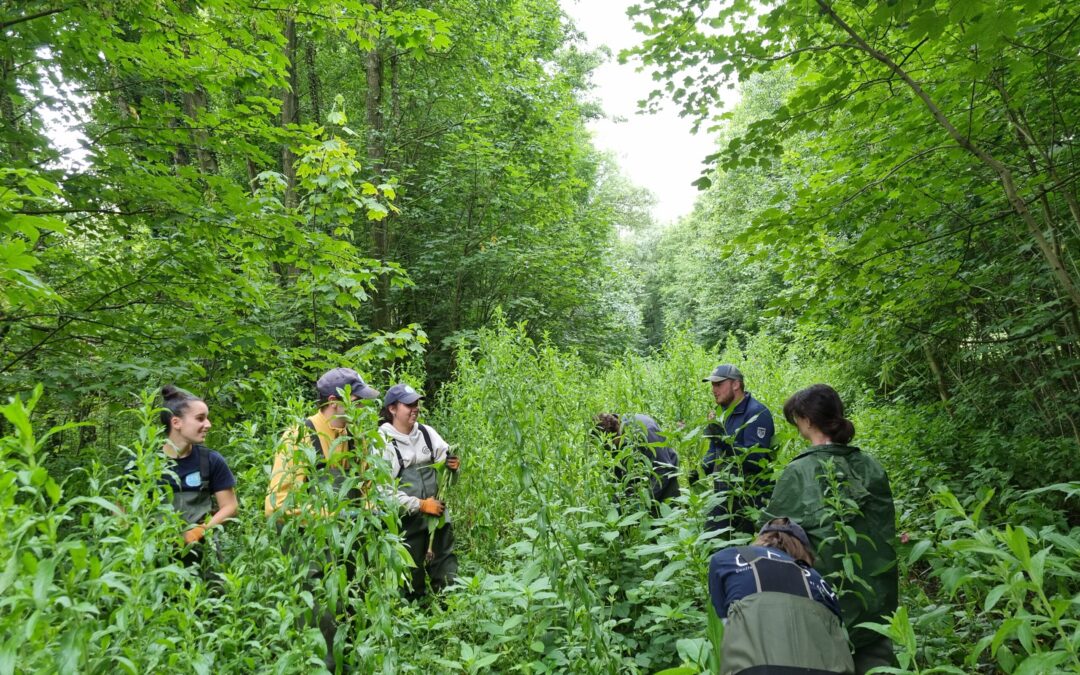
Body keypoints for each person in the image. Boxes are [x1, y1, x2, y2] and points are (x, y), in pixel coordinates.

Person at [764, 384, 898, 674]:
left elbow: (772, 542)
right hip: (877, 598)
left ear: (807, 420)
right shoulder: (870, 466)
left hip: (822, 606)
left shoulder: (798, 473)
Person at [264, 367, 380, 672]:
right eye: (357, 400)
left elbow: (366, 487)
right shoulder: (299, 437)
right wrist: (334, 515)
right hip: (312, 548)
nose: (363, 407)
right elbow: (277, 504)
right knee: (322, 620)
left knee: (355, 613)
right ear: (334, 401)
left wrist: (368, 507)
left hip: (352, 546)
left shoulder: (356, 438)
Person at [708, 518, 855, 674]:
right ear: (802, 549)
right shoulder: (818, 580)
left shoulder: (726, 558)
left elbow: (728, 625)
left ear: (761, 538)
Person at [378, 383, 459, 600]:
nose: (415, 408)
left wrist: (452, 465)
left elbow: (445, 458)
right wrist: (421, 505)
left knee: (446, 565)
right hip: (406, 522)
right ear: (392, 409)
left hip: (438, 514)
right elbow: (383, 492)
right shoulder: (383, 442)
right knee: (409, 576)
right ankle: (414, 618)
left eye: (416, 403)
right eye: (409, 405)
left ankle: (450, 609)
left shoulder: (426, 432)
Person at [157, 385, 238, 567]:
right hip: (156, 561)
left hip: (203, 559)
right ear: (176, 422)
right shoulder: (144, 462)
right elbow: (122, 511)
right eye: (200, 419)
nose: (208, 424)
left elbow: (230, 506)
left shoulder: (210, 461)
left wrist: (200, 531)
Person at [698, 364, 775, 534]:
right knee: (711, 543)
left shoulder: (757, 413)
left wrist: (723, 441)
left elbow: (756, 459)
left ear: (736, 384)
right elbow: (714, 449)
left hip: (749, 499)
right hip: (723, 495)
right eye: (712, 385)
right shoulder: (722, 413)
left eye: (718, 384)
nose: (713, 389)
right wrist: (702, 469)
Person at [594, 413, 680, 514]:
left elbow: (663, 468)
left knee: (666, 522)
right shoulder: (611, 437)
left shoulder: (645, 429)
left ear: (616, 433)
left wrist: (644, 503)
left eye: (612, 444)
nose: (612, 448)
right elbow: (616, 475)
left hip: (664, 481)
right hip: (639, 485)